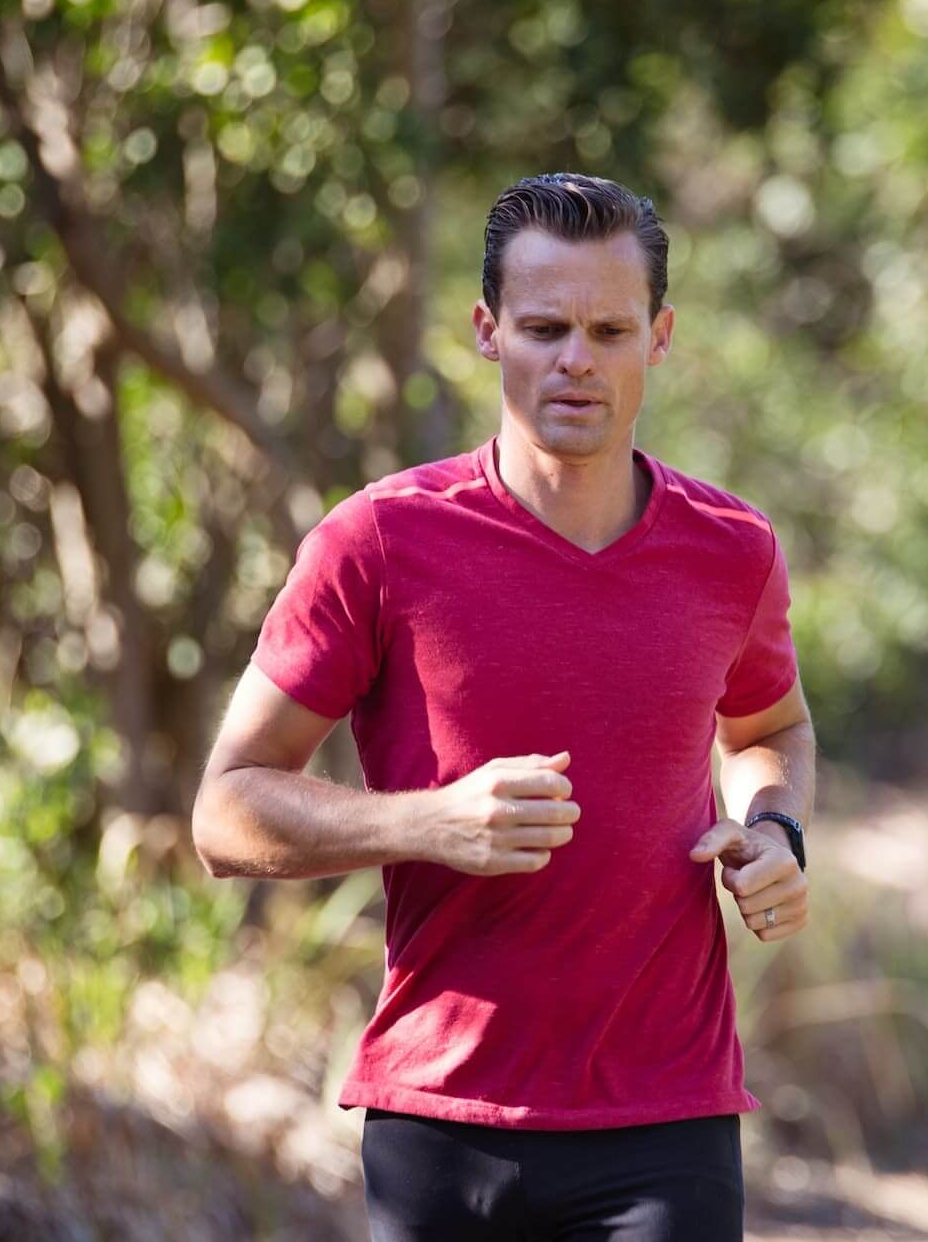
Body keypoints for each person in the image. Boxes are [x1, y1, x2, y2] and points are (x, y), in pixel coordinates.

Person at [190, 173, 815, 1241]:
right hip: (444, 1118)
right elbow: (223, 813)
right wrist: (427, 822)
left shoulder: (731, 549)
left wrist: (776, 829)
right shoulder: (380, 543)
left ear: (658, 337)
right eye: (545, 327)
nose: (577, 358)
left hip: (665, 1119)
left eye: (610, 328)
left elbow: (769, 728)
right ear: (488, 332)